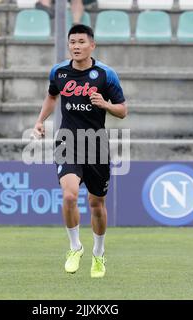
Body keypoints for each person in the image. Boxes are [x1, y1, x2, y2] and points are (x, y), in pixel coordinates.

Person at [33, 24, 127, 278]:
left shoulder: (106, 75)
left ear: (92, 45)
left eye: (81, 42)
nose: (76, 46)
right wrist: (41, 120)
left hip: (96, 143)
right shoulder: (59, 72)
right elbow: (52, 96)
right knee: (70, 196)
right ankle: (75, 247)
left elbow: (123, 110)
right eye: (72, 42)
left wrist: (105, 104)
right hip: (67, 141)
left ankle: (98, 253)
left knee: (97, 204)